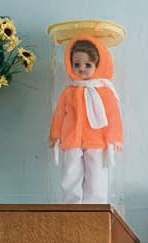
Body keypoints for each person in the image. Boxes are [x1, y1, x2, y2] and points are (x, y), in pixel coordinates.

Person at [49, 34, 122, 203]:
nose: (81, 69)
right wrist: (55, 135)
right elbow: (59, 114)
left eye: (87, 65)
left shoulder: (105, 91)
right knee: (70, 174)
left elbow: (113, 116)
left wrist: (115, 137)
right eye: (77, 64)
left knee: (97, 175)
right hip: (71, 139)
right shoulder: (69, 91)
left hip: (97, 140)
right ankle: (72, 206)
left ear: (98, 64)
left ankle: (95, 207)